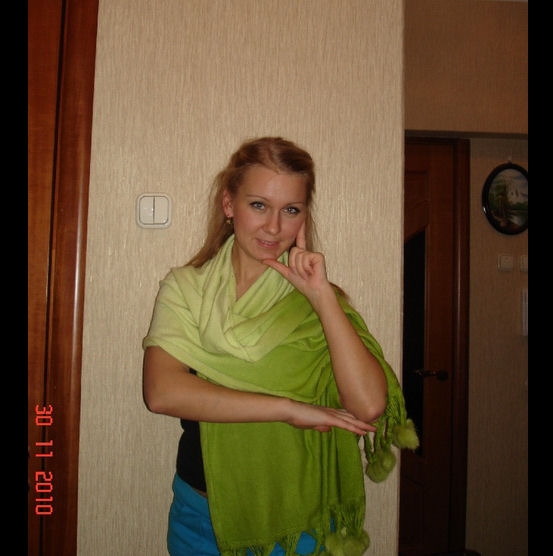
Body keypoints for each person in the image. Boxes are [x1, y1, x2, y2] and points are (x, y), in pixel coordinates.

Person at [142, 137, 417, 556]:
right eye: (259, 205)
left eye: (291, 210)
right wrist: (288, 409)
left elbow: (368, 406)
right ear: (229, 204)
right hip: (201, 517)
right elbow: (162, 393)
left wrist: (322, 298)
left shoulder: (319, 301)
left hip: (297, 521)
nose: (274, 227)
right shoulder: (186, 289)